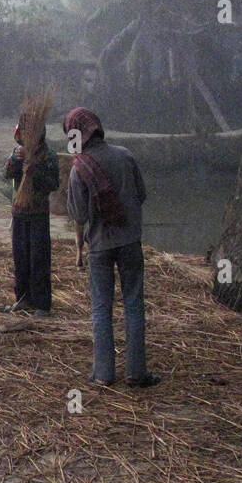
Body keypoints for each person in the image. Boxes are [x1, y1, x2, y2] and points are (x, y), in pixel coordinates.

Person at [63, 108, 161, 388]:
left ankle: (104, 374)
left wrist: (80, 250)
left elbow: (78, 216)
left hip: (99, 246)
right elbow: (141, 195)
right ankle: (136, 372)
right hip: (130, 241)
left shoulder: (78, 168)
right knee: (133, 304)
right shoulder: (125, 155)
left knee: (101, 309)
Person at [2, 123, 61, 317]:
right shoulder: (18, 153)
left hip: (38, 214)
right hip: (19, 213)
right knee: (20, 258)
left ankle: (42, 304)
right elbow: (7, 174)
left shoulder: (48, 156)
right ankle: (23, 299)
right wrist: (15, 160)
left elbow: (53, 184)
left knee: (39, 258)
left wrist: (36, 171)